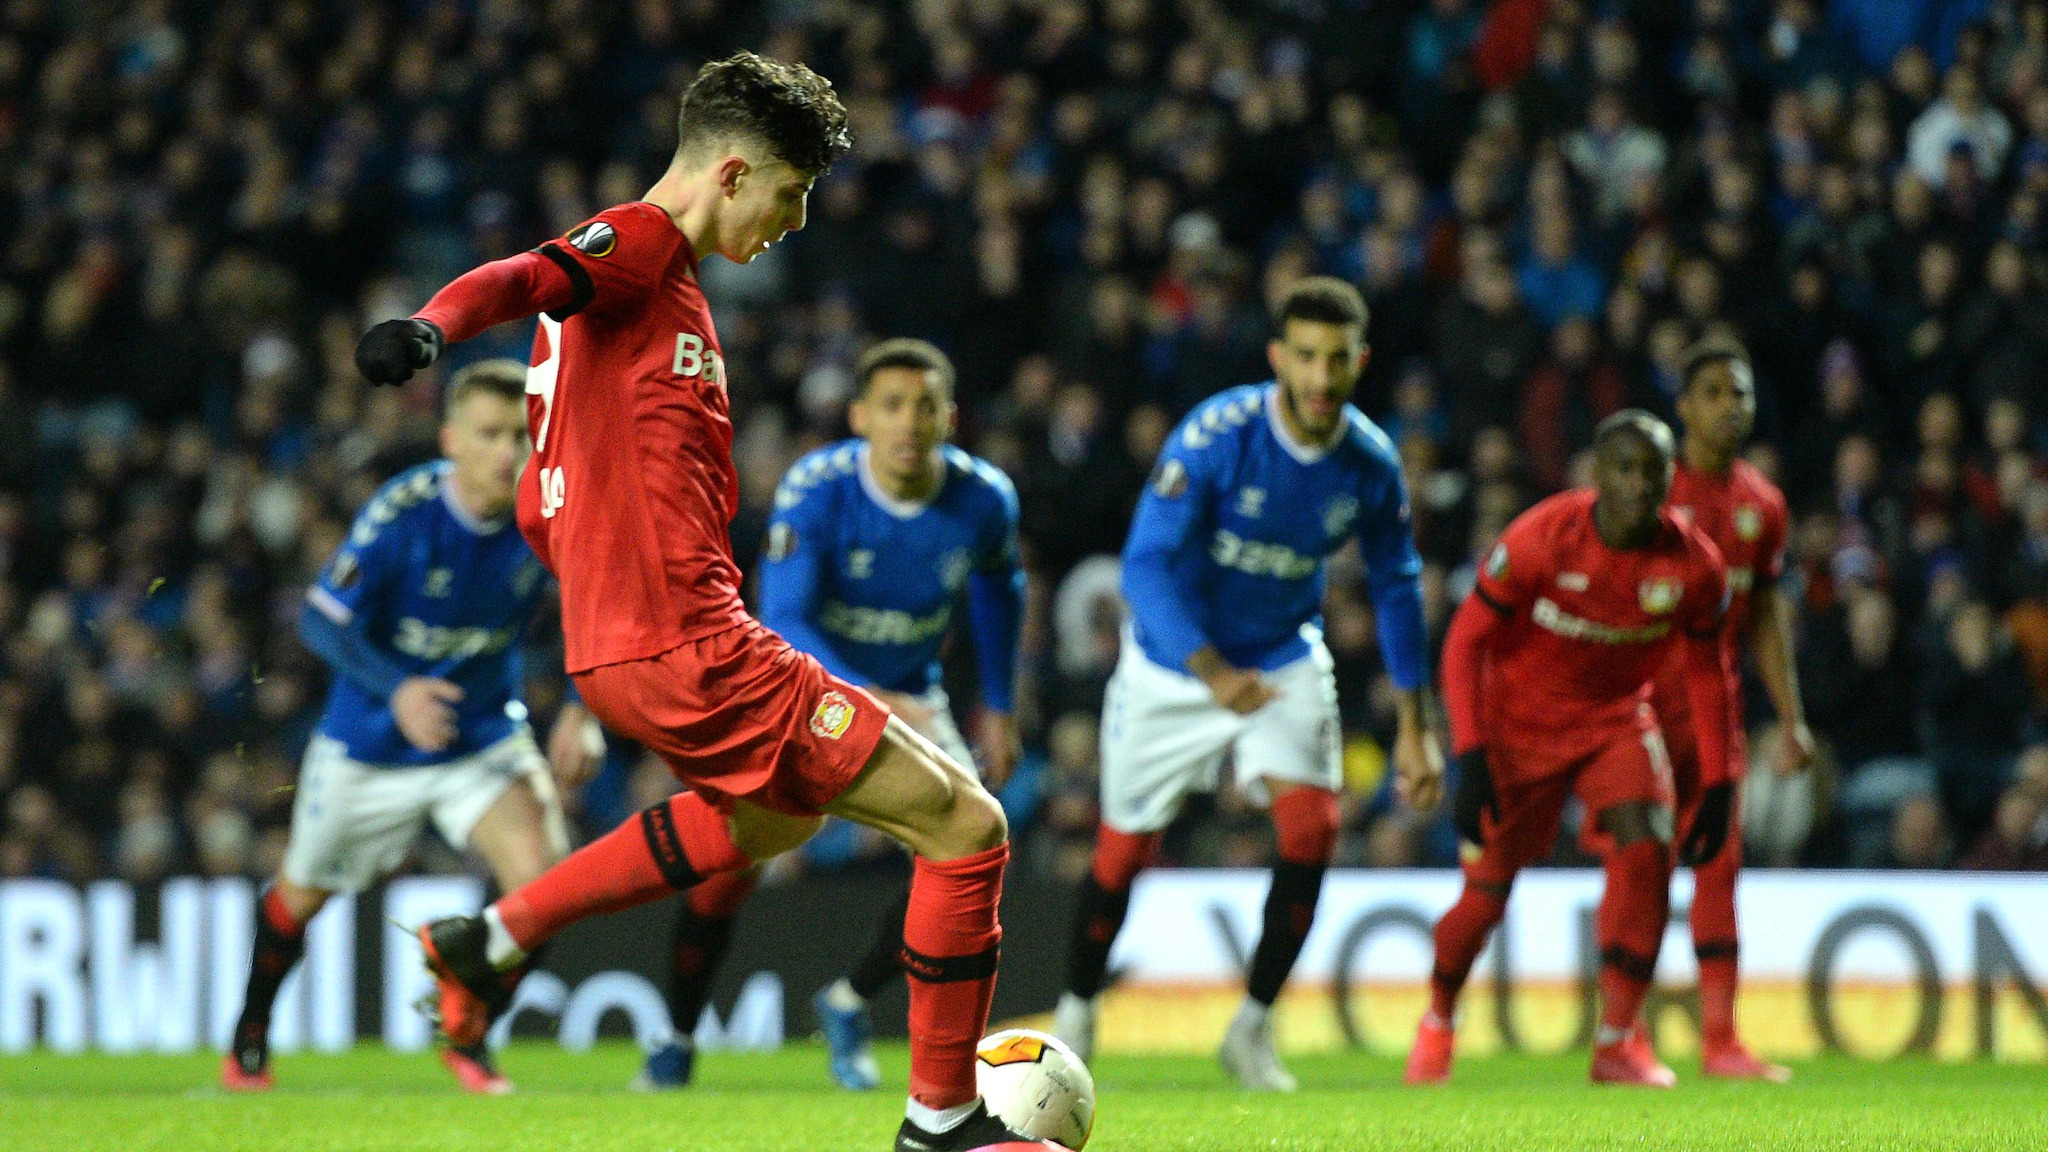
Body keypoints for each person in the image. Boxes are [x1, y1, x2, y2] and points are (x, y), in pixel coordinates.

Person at [352, 53, 1034, 1151]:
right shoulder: (638, 249)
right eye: (790, 193)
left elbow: (539, 501)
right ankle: (941, 1122)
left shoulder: (622, 323)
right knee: (968, 829)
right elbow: (523, 275)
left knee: (771, 818)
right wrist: (432, 327)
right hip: (687, 641)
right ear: (730, 173)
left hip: (626, 647)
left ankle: (493, 936)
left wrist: (608, 598)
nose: (795, 220)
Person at [1049, 277, 1445, 1091]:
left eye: (1338, 359)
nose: (1321, 377)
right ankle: (1078, 1009)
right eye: (1305, 357)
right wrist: (1210, 671)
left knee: (1311, 832)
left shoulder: (1369, 461)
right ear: (1278, 359)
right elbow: (1146, 565)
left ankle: (1252, 1027)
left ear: (1359, 362)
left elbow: (1398, 582)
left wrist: (1415, 721)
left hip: (1280, 655)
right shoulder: (1218, 436)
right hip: (1173, 661)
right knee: (1124, 849)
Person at [638, 338, 1023, 1093]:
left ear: (950, 418)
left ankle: (849, 1004)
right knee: (731, 865)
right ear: (859, 418)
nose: (908, 423)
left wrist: (1001, 708)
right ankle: (677, 1038)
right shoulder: (816, 488)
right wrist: (864, 696)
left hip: (911, 695)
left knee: (965, 849)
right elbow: (785, 620)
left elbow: (1000, 591)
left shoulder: (985, 500)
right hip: (796, 695)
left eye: (924, 406)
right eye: (890, 406)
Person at [220, 360, 604, 1095]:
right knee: (301, 896)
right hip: (369, 745)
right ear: (451, 440)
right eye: (490, 435)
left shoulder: (551, 513)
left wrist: (584, 709)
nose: (508, 455)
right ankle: (250, 1038)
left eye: (522, 438)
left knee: (549, 889)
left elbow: (595, 612)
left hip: (482, 735)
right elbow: (320, 617)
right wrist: (398, 692)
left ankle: (469, 1030)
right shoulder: (405, 513)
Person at [1407, 409, 1736, 1087]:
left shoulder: (1695, 565)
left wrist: (1720, 776)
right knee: (1486, 896)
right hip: (1516, 731)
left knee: (1648, 846)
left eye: (1655, 470)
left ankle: (1618, 1041)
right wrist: (1469, 755)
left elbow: (1708, 671)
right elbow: (1465, 640)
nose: (1641, 484)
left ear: (1672, 477)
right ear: (1597, 475)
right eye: (1626, 468)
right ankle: (1439, 1017)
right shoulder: (1542, 537)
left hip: (1616, 720)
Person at [1646, 338, 1811, 1081]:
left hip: (1718, 715)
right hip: (1643, 711)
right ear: (1682, 406)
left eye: (1738, 393)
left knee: (1719, 868)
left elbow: (1767, 616)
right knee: (1639, 866)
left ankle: (1720, 1041)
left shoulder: (1762, 505)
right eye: (1711, 392)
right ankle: (1623, 1033)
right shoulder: (1646, 492)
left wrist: (1793, 714)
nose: (1727, 407)